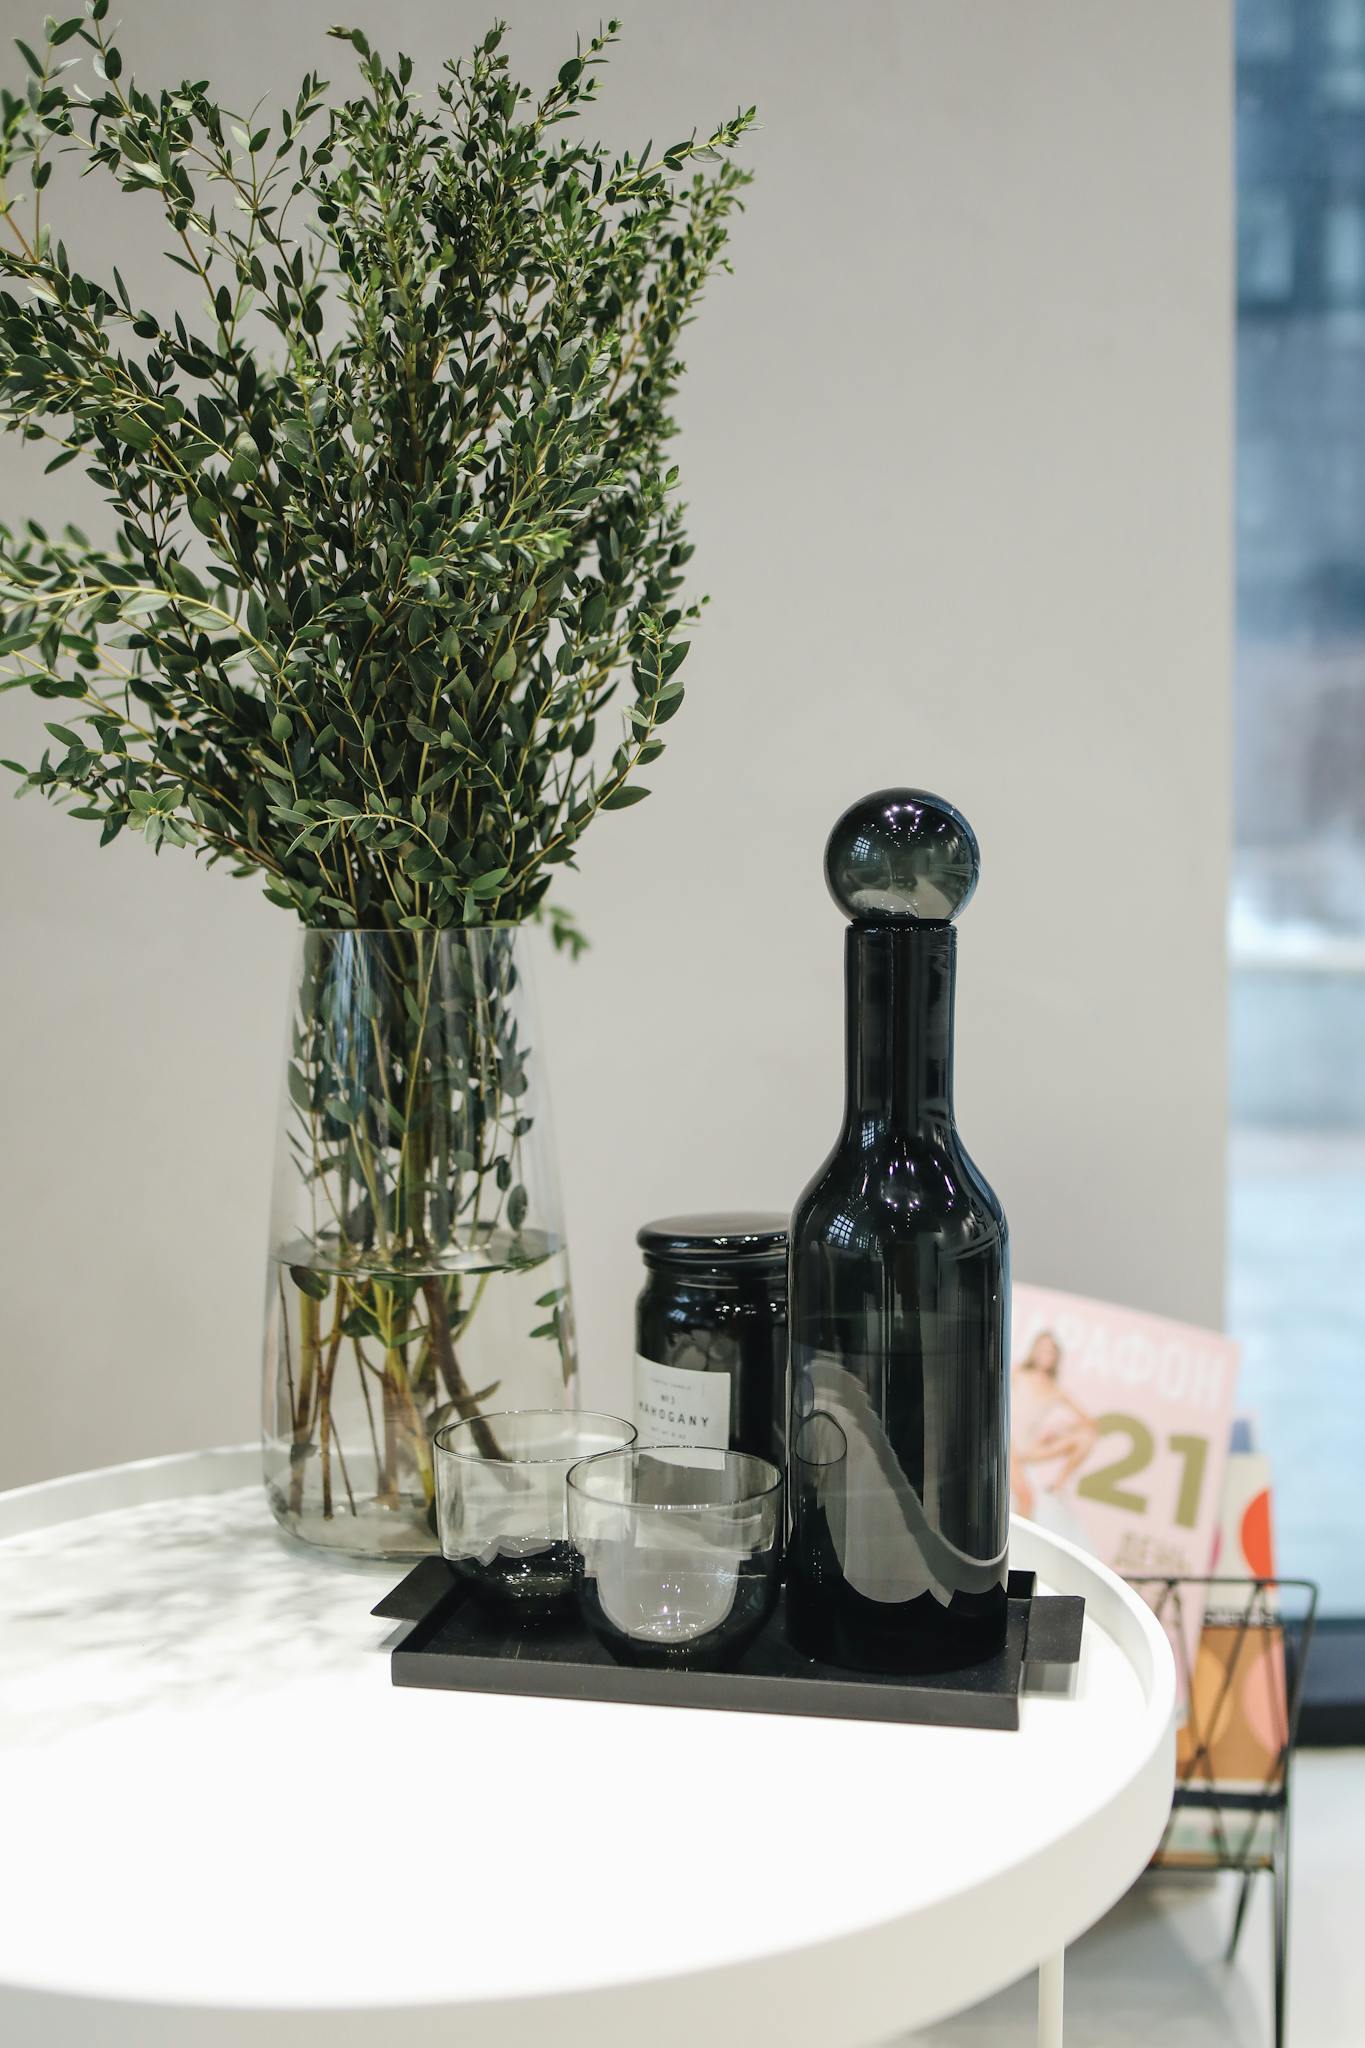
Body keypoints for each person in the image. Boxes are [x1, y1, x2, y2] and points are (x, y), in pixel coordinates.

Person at [1010, 1331, 1098, 1547]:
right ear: (1034, 1351)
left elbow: (1090, 1422)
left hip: (1028, 1449)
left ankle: (1059, 1485)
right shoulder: (1018, 1373)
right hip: (1008, 1443)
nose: (1045, 1355)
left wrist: (1058, 1429)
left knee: (1086, 1438)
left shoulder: (1055, 1390)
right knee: (1026, 1498)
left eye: (1050, 1351)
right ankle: (1017, 1550)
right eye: (1041, 1349)